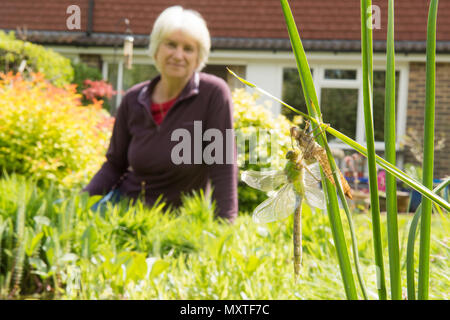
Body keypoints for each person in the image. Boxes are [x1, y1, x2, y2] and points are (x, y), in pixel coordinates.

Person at [83, 6, 238, 222]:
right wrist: (79, 202)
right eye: (171, 45)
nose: (178, 55)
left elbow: (223, 163)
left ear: (198, 57)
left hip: (180, 222)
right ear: (156, 49)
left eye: (188, 49)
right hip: (126, 213)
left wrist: (226, 224)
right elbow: (114, 164)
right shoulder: (133, 99)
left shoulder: (213, 94)